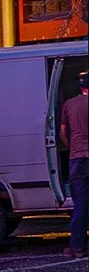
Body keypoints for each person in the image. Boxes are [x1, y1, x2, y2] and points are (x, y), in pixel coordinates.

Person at [60, 68, 89, 259]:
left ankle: (77, 247)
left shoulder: (70, 104)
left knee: (80, 205)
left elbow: (63, 131)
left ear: (80, 87)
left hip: (78, 158)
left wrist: (72, 148)